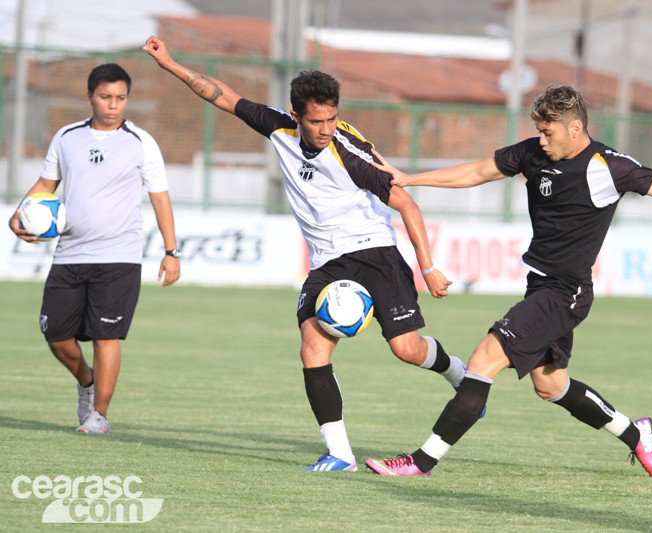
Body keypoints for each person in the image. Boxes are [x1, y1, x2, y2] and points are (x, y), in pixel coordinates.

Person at [364, 84, 652, 478]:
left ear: (575, 128)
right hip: (541, 286)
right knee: (550, 385)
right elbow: (477, 172)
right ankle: (636, 433)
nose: (541, 140)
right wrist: (411, 179)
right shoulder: (532, 153)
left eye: (548, 132)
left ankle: (420, 461)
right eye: (538, 132)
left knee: (483, 360)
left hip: (566, 293)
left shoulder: (609, 166)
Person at [143, 36, 470, 472]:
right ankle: (340, 454)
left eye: (333, 118)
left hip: (374, 251)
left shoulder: (348, 153)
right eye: (317, 121)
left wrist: (427, 267)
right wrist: (171, 64)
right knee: (312, 348)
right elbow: (223, 95)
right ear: (297, 116)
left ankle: (461, 379)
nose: (327, 128)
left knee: (407, 350)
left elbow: (406, 203)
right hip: (326, 262)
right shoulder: (278, 126)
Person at [8, 63, 181, 434]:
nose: (113, 105)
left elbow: (160, 198)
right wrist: (17, 216)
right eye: (105, 97)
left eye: (120, 98)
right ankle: (86, 379)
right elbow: (44, 185)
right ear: (90, 97)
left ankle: (98, 415)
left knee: (107, 337)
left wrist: (171, 251)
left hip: (119, 256)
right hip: (69, 254)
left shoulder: (141, 142)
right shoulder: (66, 137)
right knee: (56, 337)